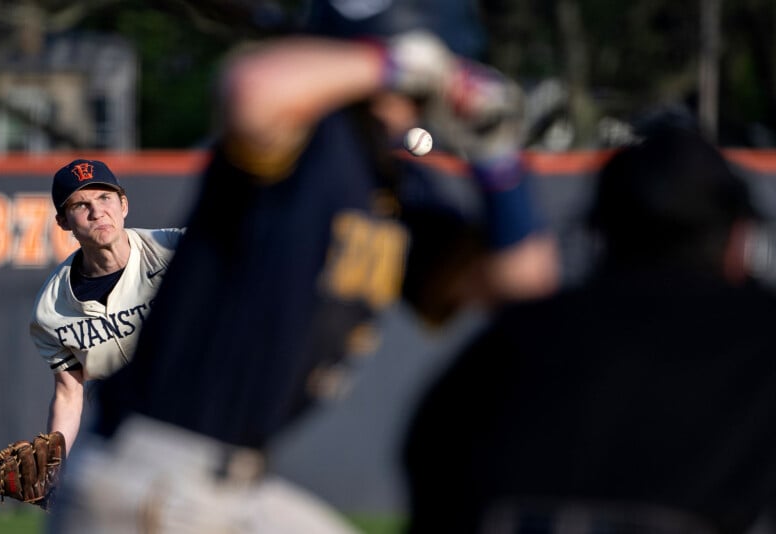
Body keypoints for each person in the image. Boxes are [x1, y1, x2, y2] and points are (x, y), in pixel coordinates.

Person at [47, 0, 560, 531]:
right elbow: (250, 90)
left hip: (225, 486)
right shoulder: (308, 136)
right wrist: (394, 62)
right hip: (150, 479)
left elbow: (524, 284)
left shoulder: (396, 183)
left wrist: (497, 158)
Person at [401, 123, 776, 534]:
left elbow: (429, 462)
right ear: (738, 241)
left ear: (600, 233)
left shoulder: (510, 345)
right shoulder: (758, 342)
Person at [28, 159, 184, 456]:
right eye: (80, 205)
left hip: (197, 420)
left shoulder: (176, 250)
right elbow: (68, 394)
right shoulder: (51, 310)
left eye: (104, 197)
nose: (97, 211)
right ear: (63, 222)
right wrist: (53, 462)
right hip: (125, 437)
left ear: (123, 205)